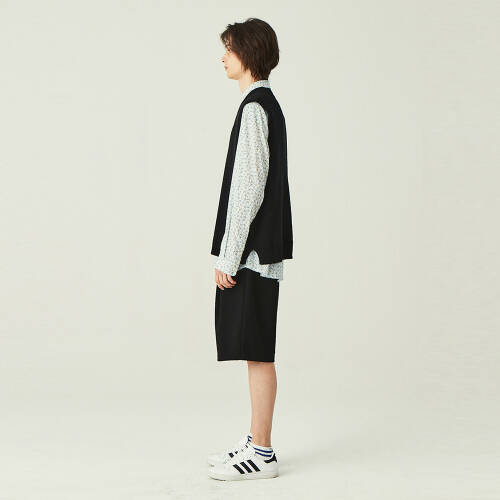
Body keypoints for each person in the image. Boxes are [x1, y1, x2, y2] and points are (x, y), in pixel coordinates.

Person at [208, 18, 293, 481]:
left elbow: (248, 191)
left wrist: (229, 256)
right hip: (259, 254)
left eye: (229, 48)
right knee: (254, 350)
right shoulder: (263, 105)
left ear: (249, 52)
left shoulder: (255, 109)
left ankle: (262, 452)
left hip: (253, 257)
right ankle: (256, 440)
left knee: (258, 351)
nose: (223, 56)